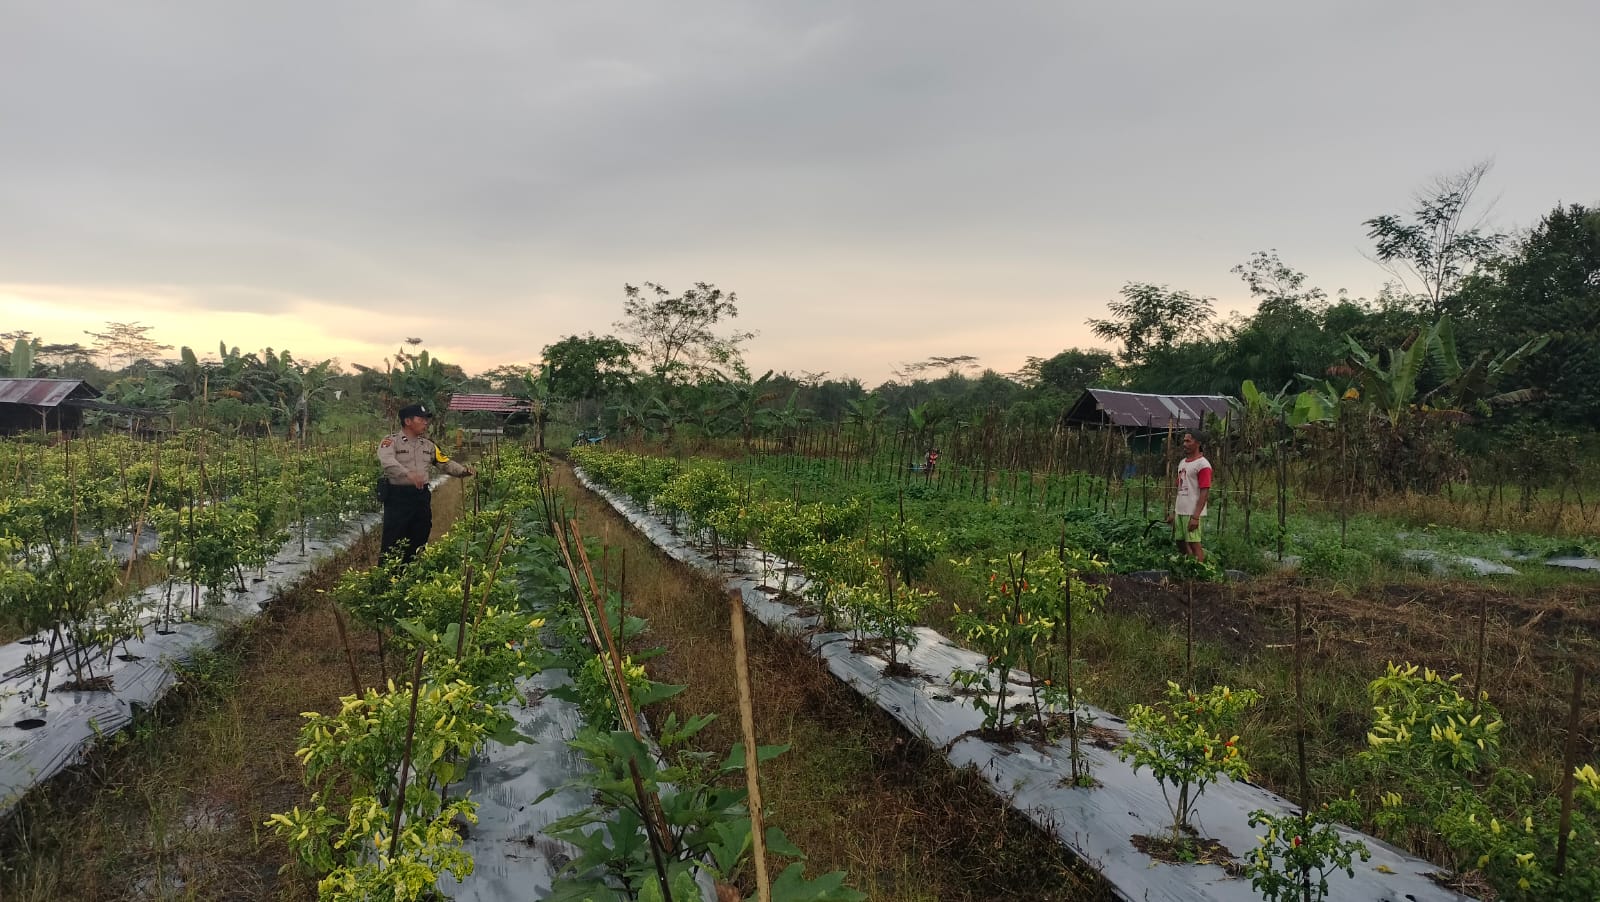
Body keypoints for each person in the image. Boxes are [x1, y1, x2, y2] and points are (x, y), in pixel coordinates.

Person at [377, 403, 475, 565]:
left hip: (420, 497)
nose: (425, 422)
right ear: (408, 421)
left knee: (419, 537)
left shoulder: (428, 445)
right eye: (421, 419)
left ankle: (410, 572)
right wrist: (408, 474)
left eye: (426, 419)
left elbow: (444, 462)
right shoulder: (391, 442)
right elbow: (387, 461)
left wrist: (463, 471)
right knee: (392, 540)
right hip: (397, 497)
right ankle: (386, 576)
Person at [1165, 430, 1212, 562]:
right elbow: (1180, 488)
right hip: (1181, 510)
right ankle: (1189, 564)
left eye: (1188, 441)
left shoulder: (1203, 465)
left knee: (1194, 543)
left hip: (1192, 512)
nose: (1184, 444)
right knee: (1180, 541)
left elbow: (1204, 491)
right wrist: (1174, 512)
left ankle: (1200, 570)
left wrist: (1195, 517)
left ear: (1198, 443)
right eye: (1184, 441)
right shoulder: (1183, 463)